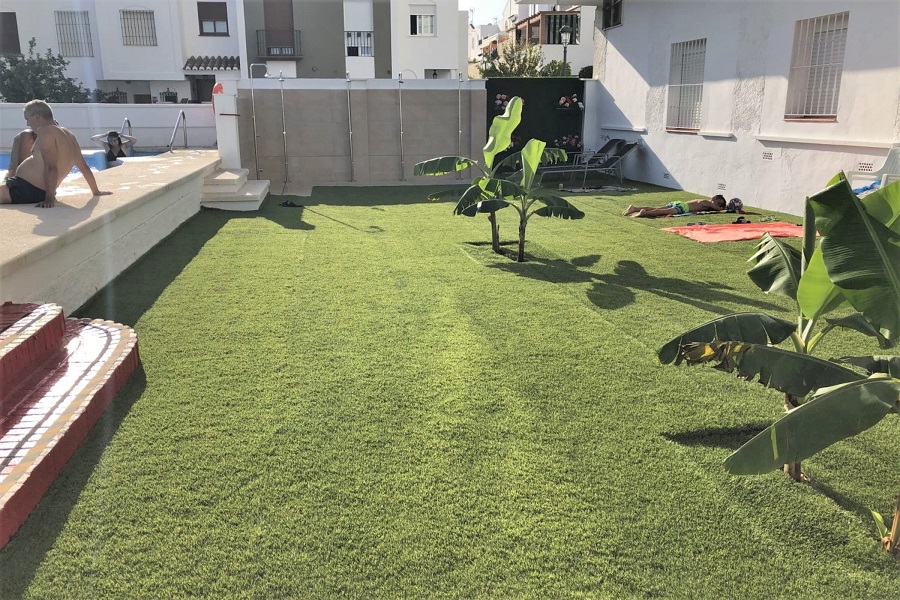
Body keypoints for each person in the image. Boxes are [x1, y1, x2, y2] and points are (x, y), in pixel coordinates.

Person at [1, 99, 110, 208]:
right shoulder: (69, 135)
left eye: (27, 119)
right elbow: (84, 167)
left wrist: (49, 199)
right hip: (32, 189)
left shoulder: (45, 131)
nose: (27, 123)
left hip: (26, 188)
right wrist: (96, 191)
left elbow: (51, 167)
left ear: (36, 117)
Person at [622, 195, 726, 218]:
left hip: (679, 203)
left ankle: (634, 208)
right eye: (718, 202)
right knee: (664, 211)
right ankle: (644, 213)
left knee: (659, 208)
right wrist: (725, 207)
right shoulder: (707, 202)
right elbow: (718, 209)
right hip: (683, 207)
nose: (717, 205)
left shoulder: (703, 202)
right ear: (713, 198)